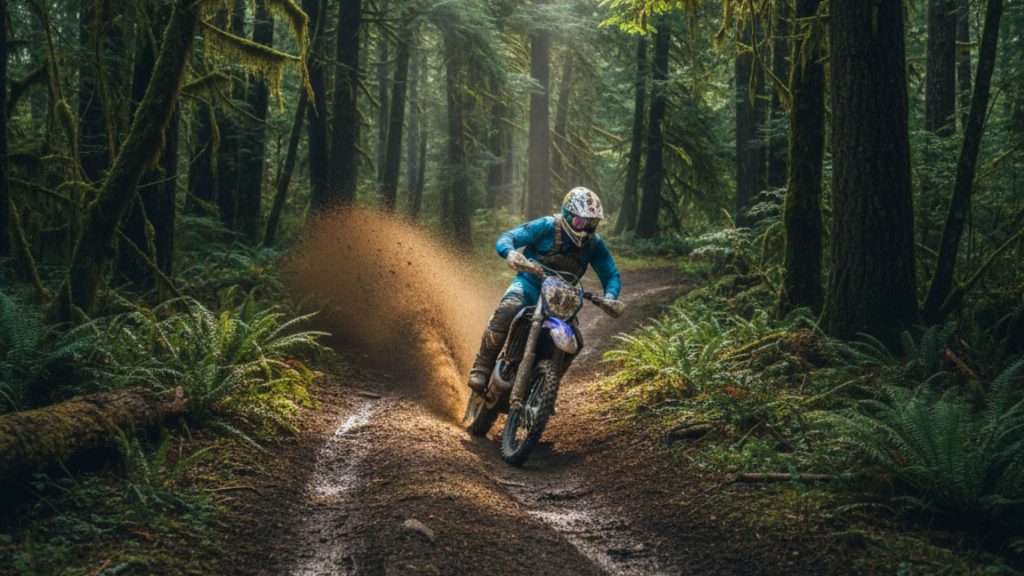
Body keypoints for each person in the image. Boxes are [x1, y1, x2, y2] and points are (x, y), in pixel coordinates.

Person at [467, 187, 622, 393]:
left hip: (563, 297)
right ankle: (482, 366)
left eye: (592, 223)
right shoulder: (548, 226)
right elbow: (509, 237)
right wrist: (510, 253)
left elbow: (610, 274)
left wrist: (610, 296)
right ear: (568, 214)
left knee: (575, 340)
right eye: (580, 222)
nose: (585, 229)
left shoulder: (594, 244)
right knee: (509, 308)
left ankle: (544, 390)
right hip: (529, 285)